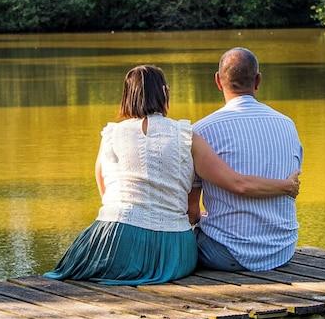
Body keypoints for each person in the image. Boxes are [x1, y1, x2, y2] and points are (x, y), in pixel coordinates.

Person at [48, 64, 297, 285]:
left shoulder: (111, 134)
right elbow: (219, 193)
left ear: (125, 97)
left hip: (114, 238)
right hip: (172, 251)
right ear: (165, 93)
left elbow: (106, 193)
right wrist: (286, 186)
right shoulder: (186, 135)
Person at [190, 48, 303, 272]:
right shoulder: (287, 125)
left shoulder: (201, 131)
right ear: (258, 80)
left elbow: (191, 210)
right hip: (282, 250)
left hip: (226, 253)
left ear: (218, 81)